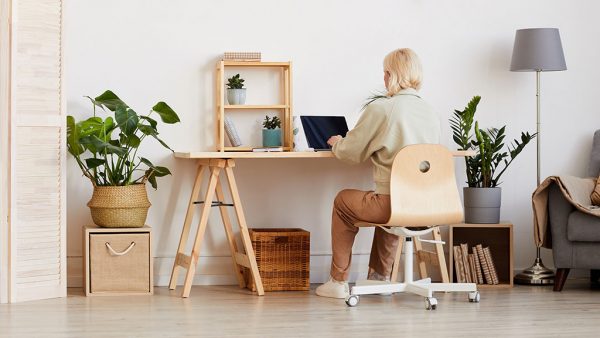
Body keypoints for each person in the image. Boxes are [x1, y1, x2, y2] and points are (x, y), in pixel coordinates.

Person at [315, 48, 441, 299]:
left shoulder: (384, 108)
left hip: (394, 206)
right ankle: (380, 277)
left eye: (385, 72)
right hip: (430, 205)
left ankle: (338, 282)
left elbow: (352, 153)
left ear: (390, 75)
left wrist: (339, 141)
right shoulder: (430, 111)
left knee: (344, 201)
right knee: (392, 198)